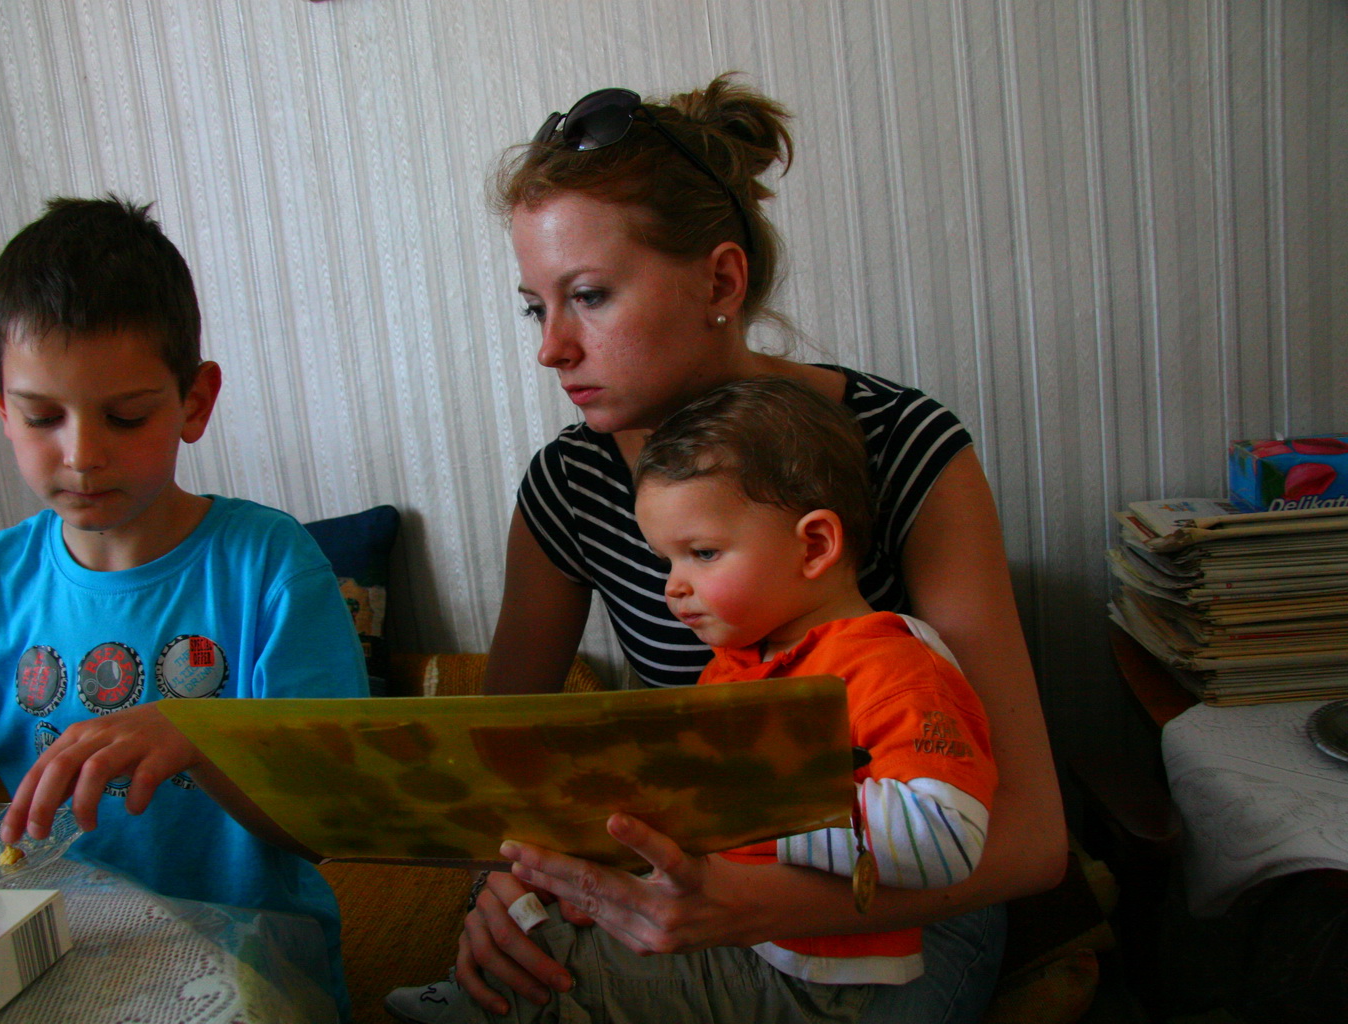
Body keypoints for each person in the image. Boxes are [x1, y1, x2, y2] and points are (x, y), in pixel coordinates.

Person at [389, 75, 1064, 1024]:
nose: (552, 348)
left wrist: (747, 905)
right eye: (535, 308)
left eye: (589, 296)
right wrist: (498, 890)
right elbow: (498, 778)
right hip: (693, 885)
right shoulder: (571, 487)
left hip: (900, 914)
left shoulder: (901, 445)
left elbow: (1030, 842)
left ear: (720, 281)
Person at [0, 196, 368, 1018]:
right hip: (57, 968)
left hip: (257, 973)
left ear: (194, 402)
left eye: (125, 416)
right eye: (42, 416)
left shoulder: (269, 567)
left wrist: (199, 737)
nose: (81, 454)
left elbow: (331, 822)